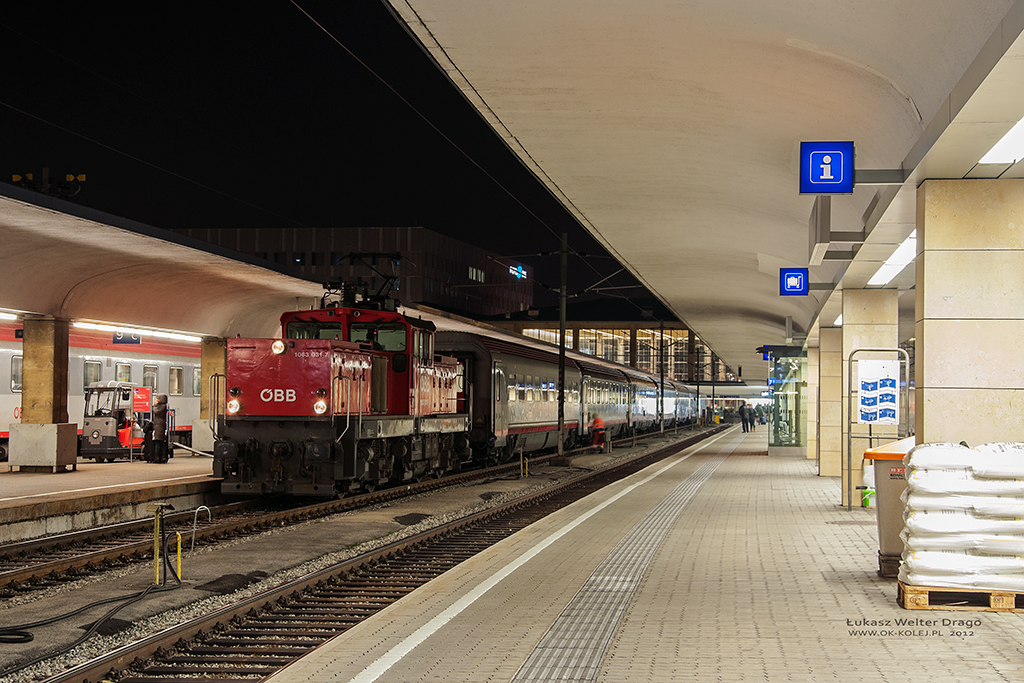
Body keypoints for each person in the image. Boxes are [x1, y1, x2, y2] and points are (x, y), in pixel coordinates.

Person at [151, 394, 169, 463]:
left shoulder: (163, 407)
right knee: (161, 443)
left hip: (159, 426)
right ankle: (162, 457)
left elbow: (156, 412)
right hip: (159, 426)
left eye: (158, 398)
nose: (157, 400)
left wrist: (155, 405)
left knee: (158, 442)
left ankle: (157, 457)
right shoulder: (163, 406)